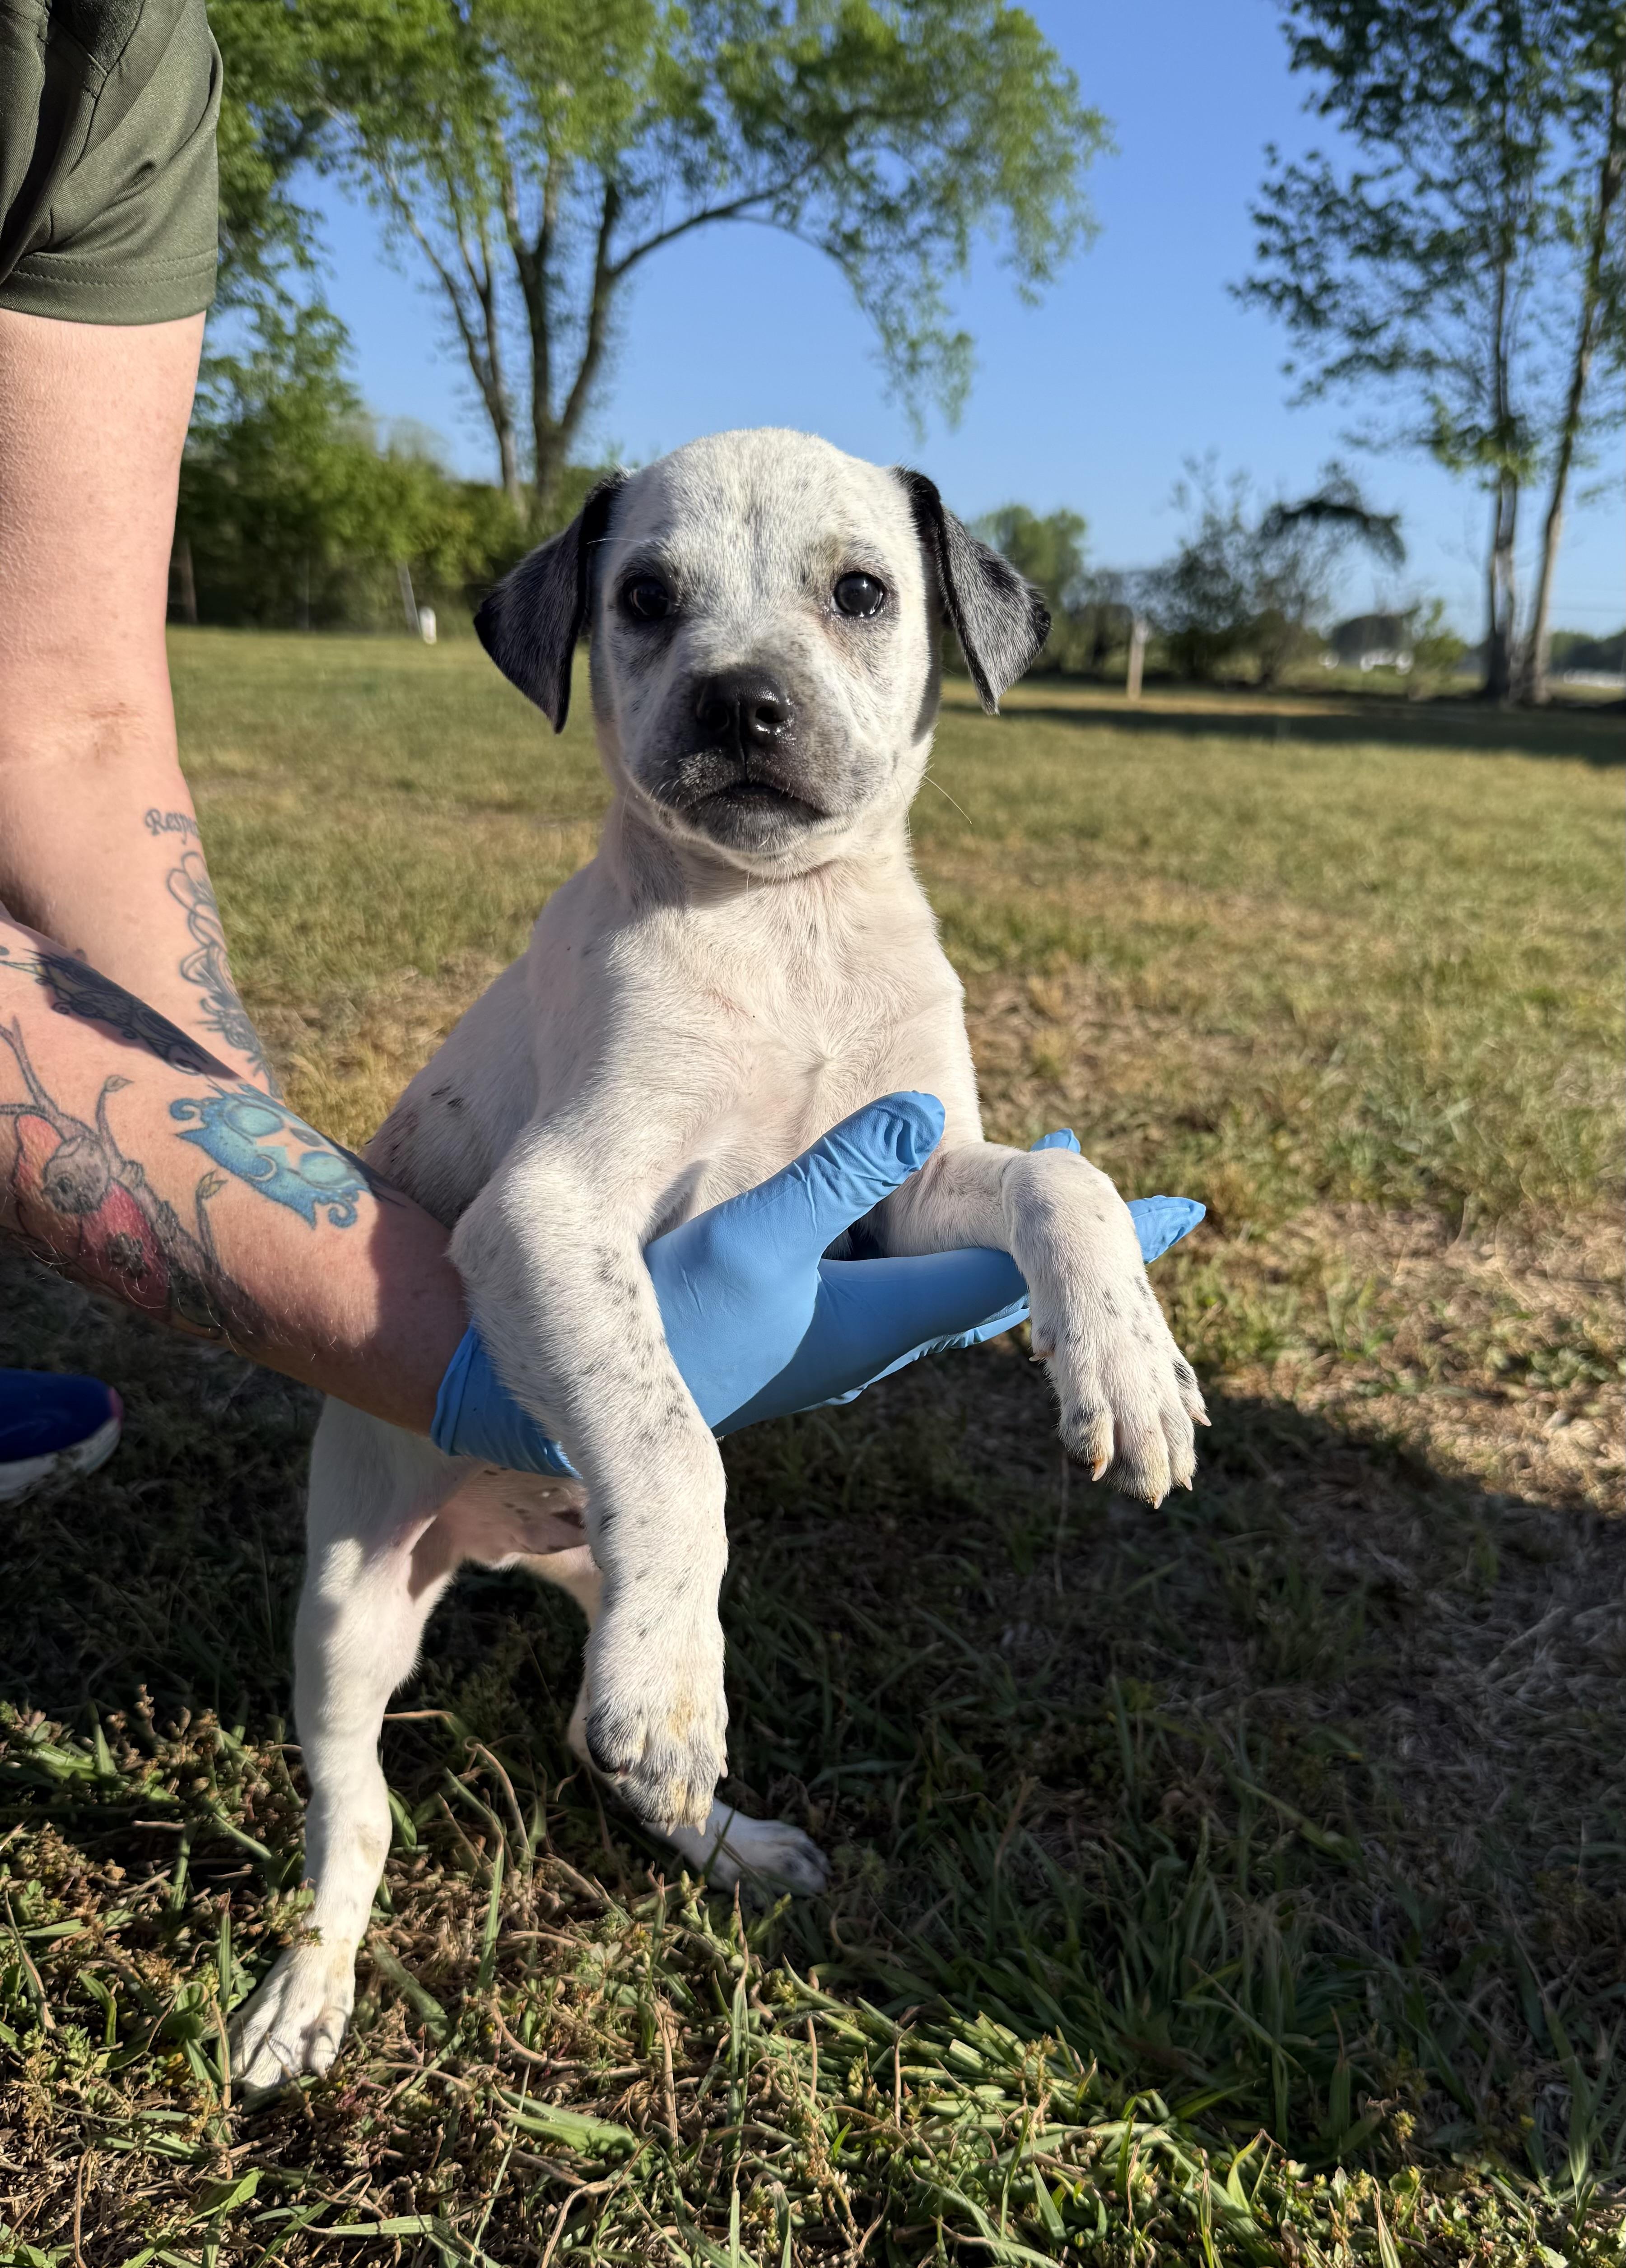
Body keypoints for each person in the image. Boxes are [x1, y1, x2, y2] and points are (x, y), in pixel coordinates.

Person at [1, 0, 1202, 1509]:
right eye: (656, 607)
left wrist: (1055, 1213)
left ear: (959, 631)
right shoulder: (618, 948)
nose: (743, 687)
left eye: (852, 599)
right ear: (571, 634)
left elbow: (69, 724)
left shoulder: (108, 53)